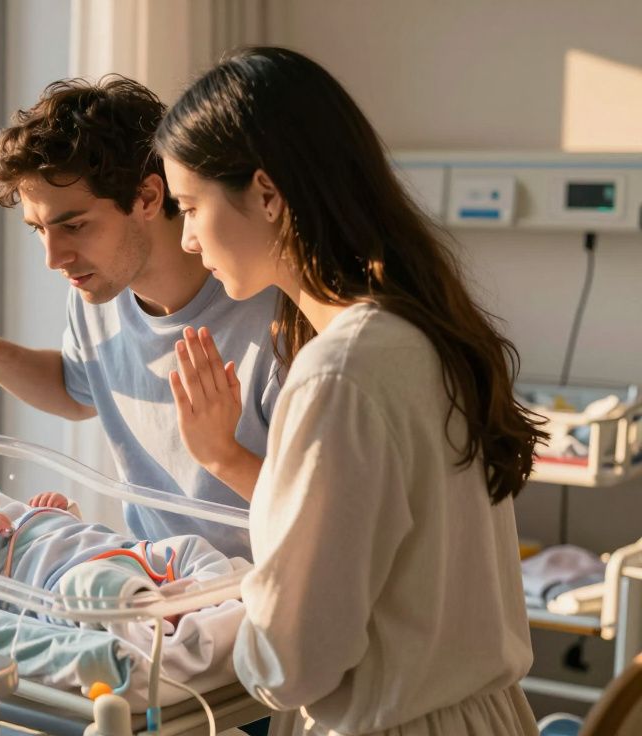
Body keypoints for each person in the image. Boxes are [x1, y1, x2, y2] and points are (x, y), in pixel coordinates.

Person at [157, 47, 545, 735]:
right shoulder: (421, 331)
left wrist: (198, 621)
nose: (187, 239)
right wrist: (223, 458)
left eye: (189, 207)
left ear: (267, 195)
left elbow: (292, 663)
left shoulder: (338, 374)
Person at [0, 77, 282, 558]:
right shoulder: (97, 293)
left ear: (148, 198)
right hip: (152, 576)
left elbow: (319, 510)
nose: (53, 258)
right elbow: (77, 390)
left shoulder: (273, 317)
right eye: (38, 230)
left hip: (247, 586)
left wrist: (222, 454)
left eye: (73, 225)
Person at [0, 450, 238, 624]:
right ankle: (158, 615)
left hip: (126, 554)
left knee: (188, 545)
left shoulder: (16, 511)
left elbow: (72, 536)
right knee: (95, 585)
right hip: (69, 586)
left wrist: (62, 510)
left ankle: (218, 592)